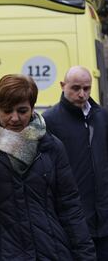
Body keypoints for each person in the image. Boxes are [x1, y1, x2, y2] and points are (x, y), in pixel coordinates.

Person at [0, 74, 95, 260]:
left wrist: (86, 256)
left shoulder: (52, 146)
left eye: (22, 110)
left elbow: (70, 207)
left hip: (51, 252)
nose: (14, 118)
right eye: (7, 110)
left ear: (32, 108)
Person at [43, 65, 108, 260]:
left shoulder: (102, 116)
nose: (82, 94)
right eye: (76, 88)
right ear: (63, 86)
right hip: (72, 217)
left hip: (103, 217)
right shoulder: (50, 120)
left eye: (86, 88)